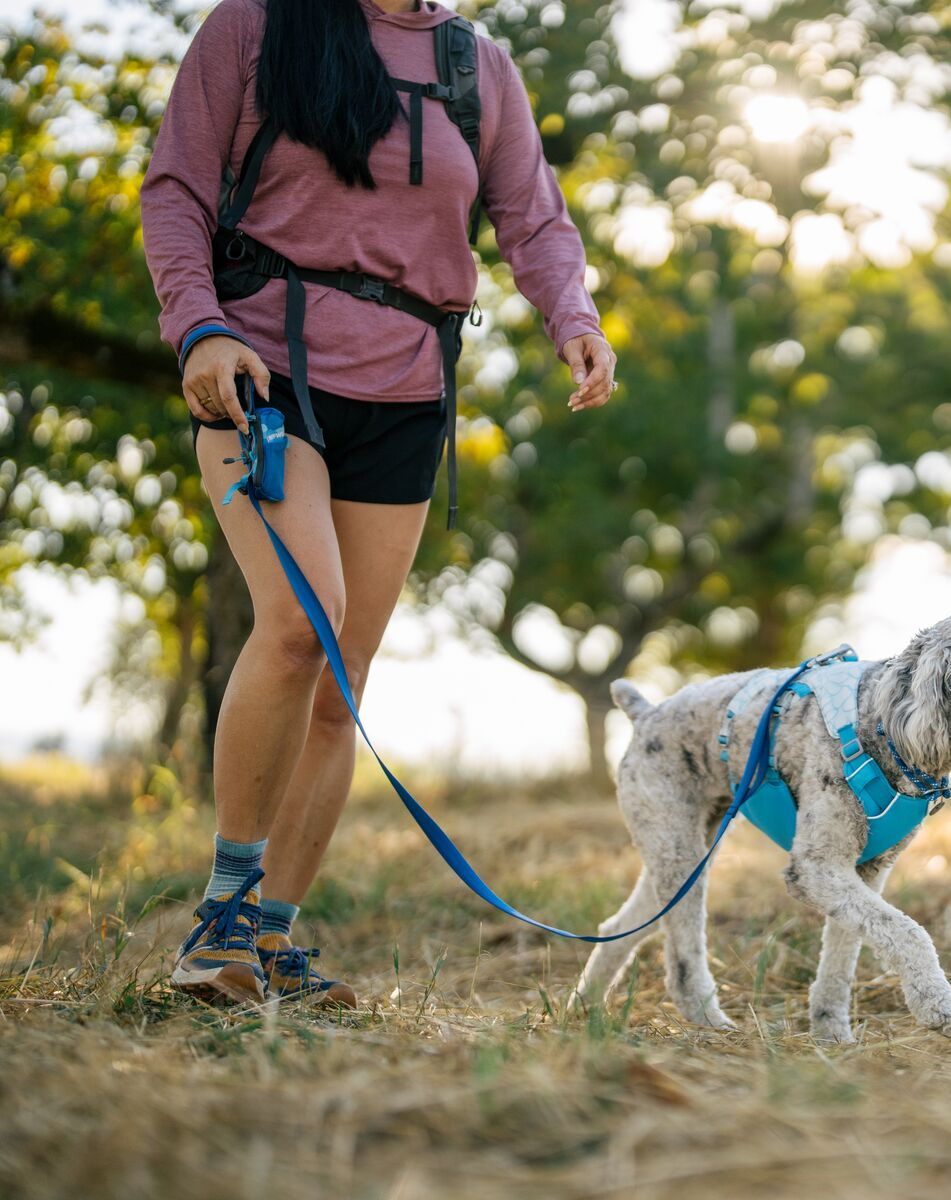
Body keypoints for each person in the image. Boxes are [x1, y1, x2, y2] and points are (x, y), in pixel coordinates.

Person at [141, 0, 615, 1006]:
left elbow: (533, 216)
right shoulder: (256, 26)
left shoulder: (476, 66)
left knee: (339, 681)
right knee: (299, 625)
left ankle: (272, 939)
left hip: (405, 392)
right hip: (261, 372)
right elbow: (176, 186)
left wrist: (572, 315)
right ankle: (221, 924)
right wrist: (198, 327)